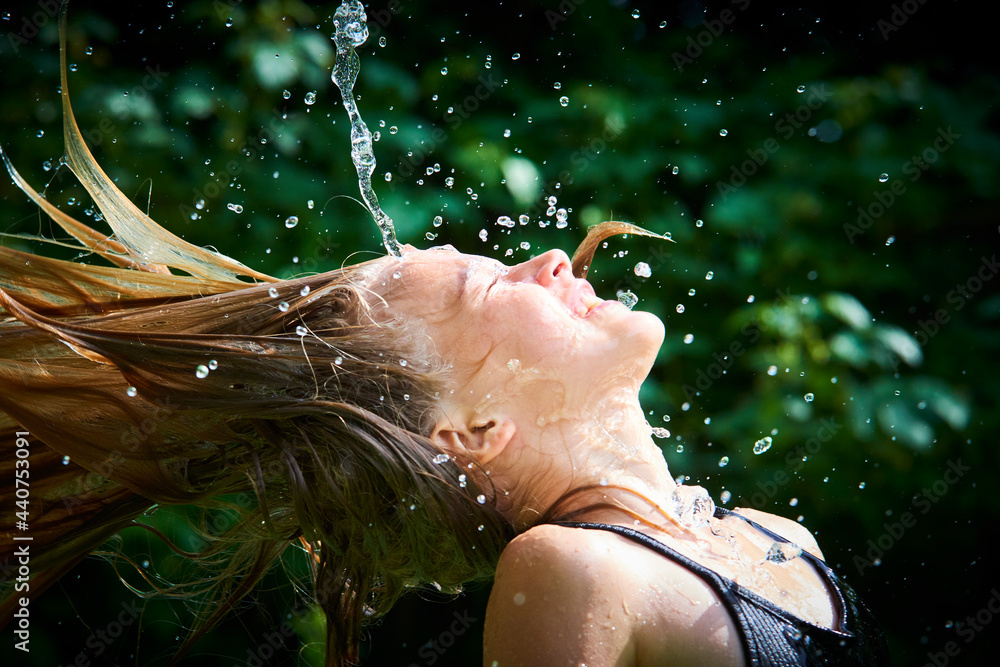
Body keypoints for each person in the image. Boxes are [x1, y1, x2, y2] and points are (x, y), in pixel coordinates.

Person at [1, 8, 889, 667]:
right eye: (487, 284)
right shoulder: (569, 570)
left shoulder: (774, 535)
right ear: (470, 430)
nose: (545, 257)